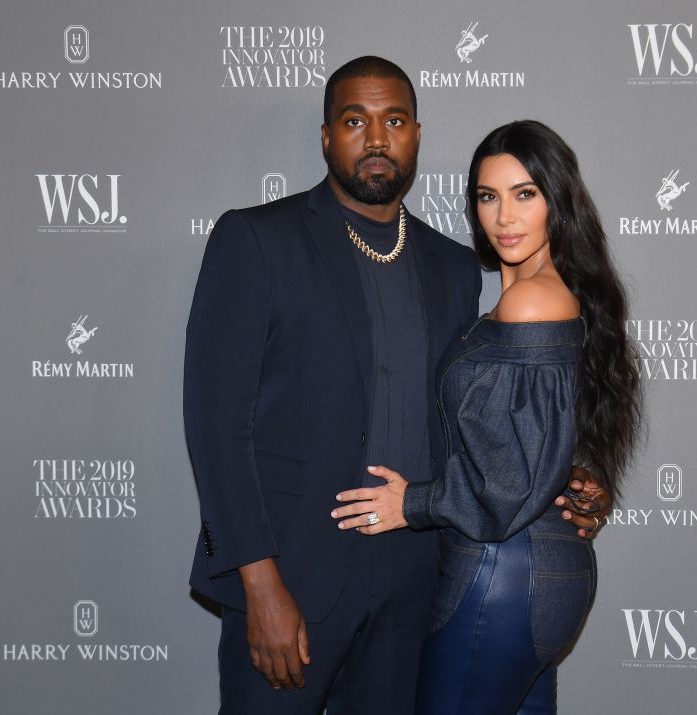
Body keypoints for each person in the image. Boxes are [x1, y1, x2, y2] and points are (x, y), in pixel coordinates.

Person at [184, 58, 612, 714]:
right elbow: (217, 425)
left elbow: (471, 416)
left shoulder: (453, 265)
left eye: (394, 121)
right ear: (328, 137)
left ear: (417, 134)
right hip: (290, 579)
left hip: (417, 586)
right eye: (355, 121)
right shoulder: (258, 240)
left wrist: (561, 471)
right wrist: (257, 580)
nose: (376, 138)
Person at [331, 120, 642, 713]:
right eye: (487, 196)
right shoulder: (538, 294)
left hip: (501, 574)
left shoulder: (532, 301)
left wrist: (410, 504)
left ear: (558, 200)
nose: (504, 217)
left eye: (525, 194)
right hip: (537, 573)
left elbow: (508, 485)